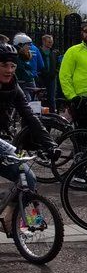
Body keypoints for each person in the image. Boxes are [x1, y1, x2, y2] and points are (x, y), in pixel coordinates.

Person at [0, 43, 54, 194]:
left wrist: (49, 143)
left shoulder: (13, 87)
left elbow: (29, 116)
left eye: (13, 66)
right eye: (4, 65)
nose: (9, 70)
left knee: (28, 179)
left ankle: (9, 217)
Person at [37, 34, 59, 111]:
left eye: (51, 42)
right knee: (40, 95)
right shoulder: (38, 52)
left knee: (51, 97)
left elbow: (57, 63)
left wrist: (56, 71)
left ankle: (53, 113)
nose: (51, 43)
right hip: (41, 77)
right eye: (49, 42)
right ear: (43, 42)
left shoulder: (54, 52)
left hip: (52, 77)